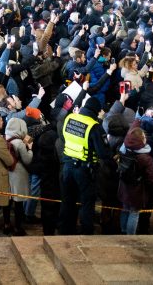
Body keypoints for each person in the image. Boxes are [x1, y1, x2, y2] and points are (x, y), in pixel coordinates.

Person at [58, 96, 110, 235]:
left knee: (67, 200)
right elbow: (103, 152)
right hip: (84, 169)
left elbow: (64, 138)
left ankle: (65, 231)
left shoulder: (69, 118)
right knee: (87, 202)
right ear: (97, 111)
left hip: (67, 166)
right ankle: (86, 233)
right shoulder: (94, 126)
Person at [117, 126, 153, 234]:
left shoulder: (123, 150)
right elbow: (151, 178)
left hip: (124, 186)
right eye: (143, 137)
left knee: (125, 209)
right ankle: (130, 236)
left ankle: (123, 231)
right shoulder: (146, 158)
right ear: (140, 140)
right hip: (137, 191)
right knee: (134, 213)